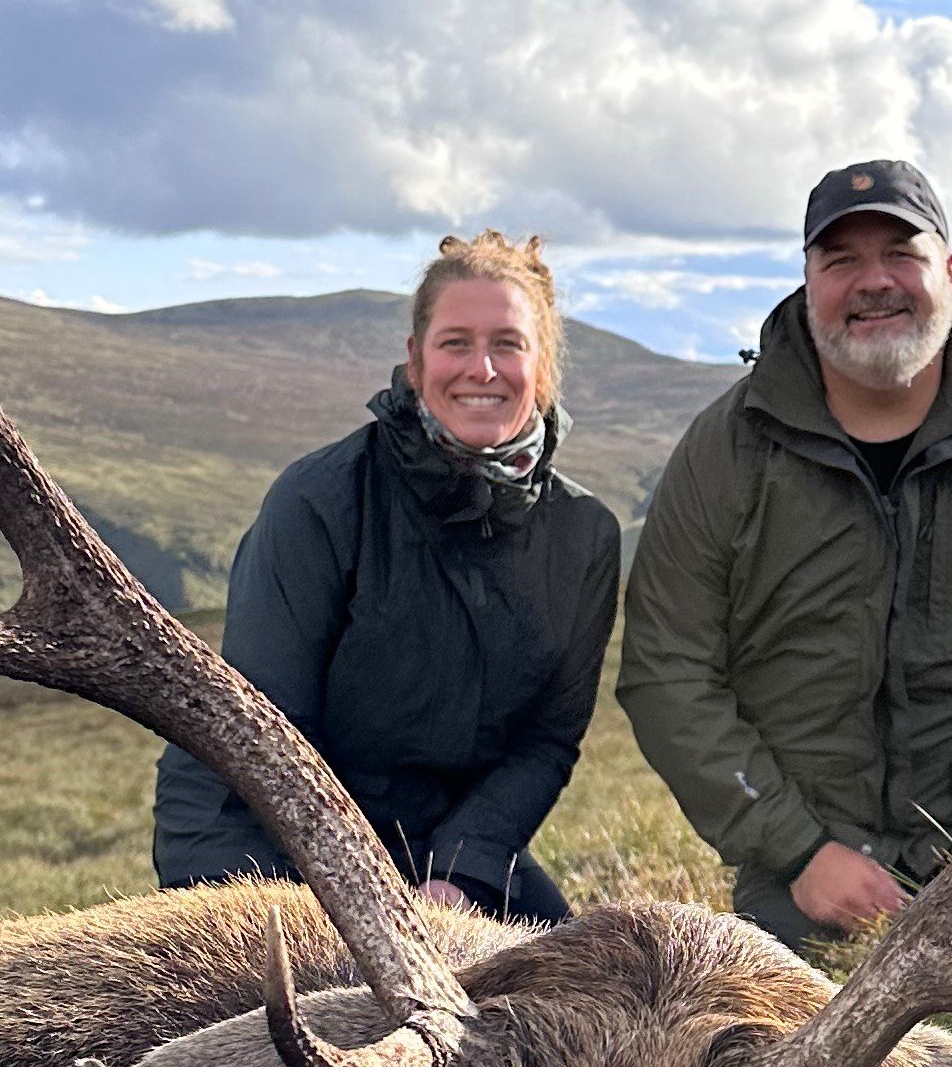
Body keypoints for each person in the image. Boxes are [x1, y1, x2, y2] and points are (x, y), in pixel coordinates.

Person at [618, 157, 952, 953]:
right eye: (841, 260)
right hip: (810, 876)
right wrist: (798, 850)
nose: (873, 282)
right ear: (808, 283)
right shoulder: (726, 450)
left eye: (900, 254)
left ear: (947, 270)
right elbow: (667, 668)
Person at [153, 229, 622, 923]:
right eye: (455, 342)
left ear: (542, 364)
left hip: (438, 849)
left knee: (583, 997)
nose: (481, 369)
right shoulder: (322, 500)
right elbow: (258, 736)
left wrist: (461, 873)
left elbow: (545, 741)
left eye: (508, 344)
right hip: (254, 837)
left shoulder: (584, 535)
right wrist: (359, 909)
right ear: (415, 359)